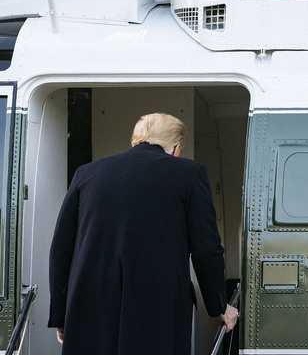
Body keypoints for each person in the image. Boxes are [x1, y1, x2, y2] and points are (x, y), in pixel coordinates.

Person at [48, 113, 239, 354]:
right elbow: (206, 248)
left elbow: (61, 249)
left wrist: (62, 315)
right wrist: (220, 305)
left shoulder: (86, 174)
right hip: (157, 310)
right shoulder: (190, 173)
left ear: (135, 140)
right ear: (176, 147)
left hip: (90, 307)